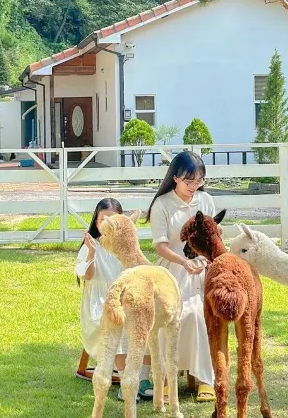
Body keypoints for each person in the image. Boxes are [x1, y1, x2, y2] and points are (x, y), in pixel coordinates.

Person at [147, 151, 216, 402]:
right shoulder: (162, 205)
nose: (194, 187)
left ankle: (205, 379)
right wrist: (185, 263)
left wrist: (204, 262)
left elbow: (214, 238)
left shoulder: (206, 201)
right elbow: (161, 246)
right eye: (189, 181)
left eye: (199, 181)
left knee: (199, 313)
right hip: (171, 270)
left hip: (202, 269)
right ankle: (167, 376)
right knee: (171, 315)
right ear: (175, 178)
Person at [75, 198, 152, 400]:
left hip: (125, 298)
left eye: (112, 219)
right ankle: (126, 380)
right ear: (96, 221)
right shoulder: (91, 246)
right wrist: (91, 252)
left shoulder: (123, 246)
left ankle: (143, 379)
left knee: (144, 321)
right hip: (100, 303)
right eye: (103, 219)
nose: (107, 224)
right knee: (117, 324)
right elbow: (88, 276)